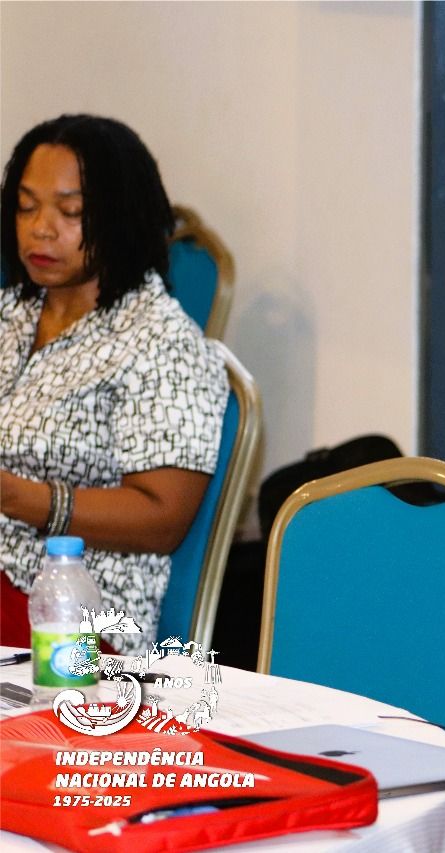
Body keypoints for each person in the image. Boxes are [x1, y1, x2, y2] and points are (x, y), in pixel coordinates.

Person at [0, 115, 228, 657]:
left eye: (71, 212)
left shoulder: (162, 342)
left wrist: (18, 498)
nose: (41, 229)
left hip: (76, 619)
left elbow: (162, 518)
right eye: (26, 207)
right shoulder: (11, 313)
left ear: (122, 216)